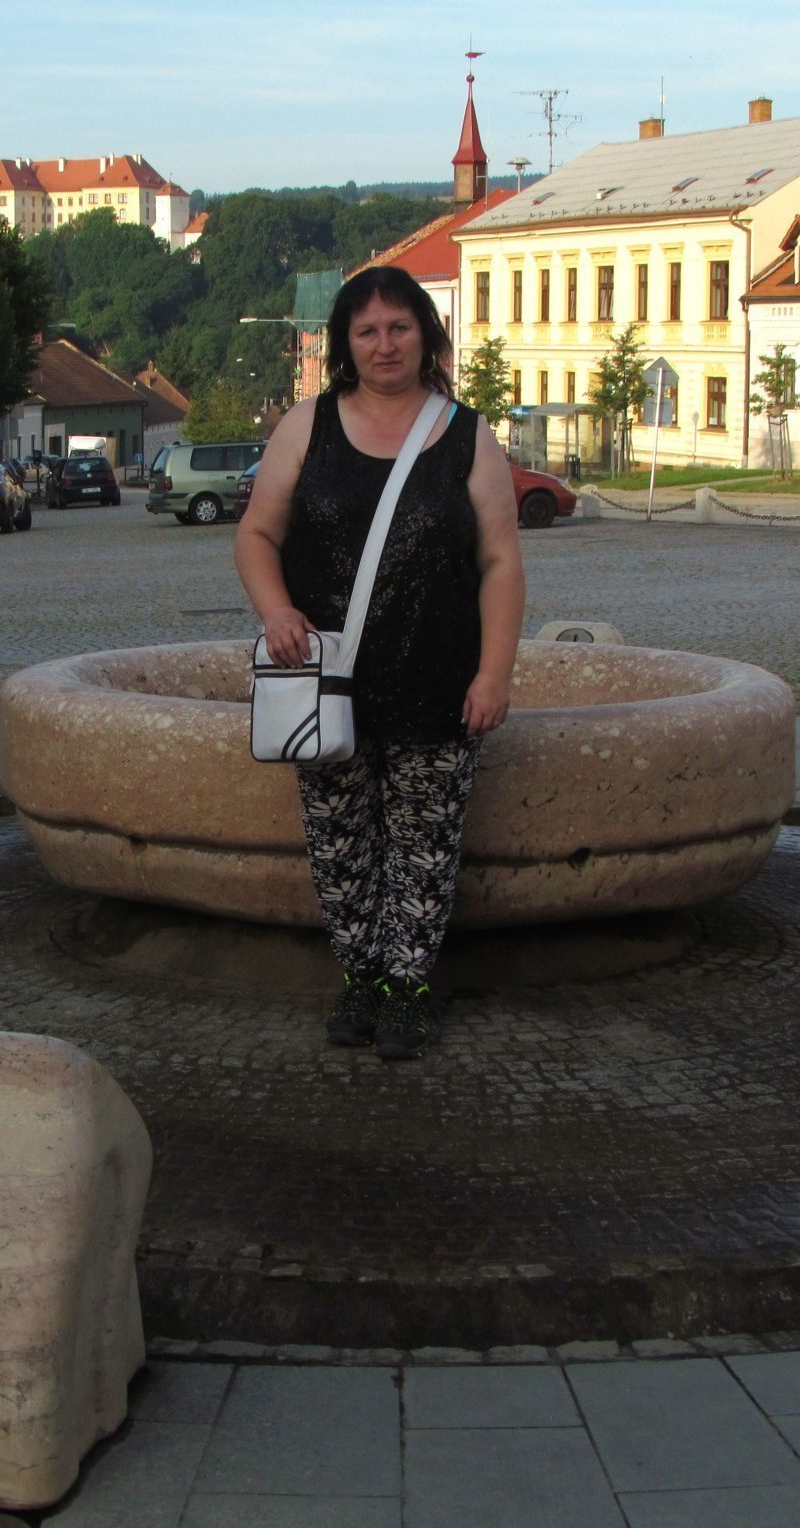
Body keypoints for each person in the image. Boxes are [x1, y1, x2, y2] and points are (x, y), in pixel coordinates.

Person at [234, 265, 525, 1059]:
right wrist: (277, 610)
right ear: (344, 345)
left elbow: (500, 561)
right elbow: (256, 534)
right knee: (338, 845)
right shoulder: (307, 426)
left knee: (423, 848)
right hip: (327, 683)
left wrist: (492, 673)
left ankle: (407, 989)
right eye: (366, 331)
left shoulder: (466, 435)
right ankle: (360, 977)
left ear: (425, 335)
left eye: (399, 327)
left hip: (437, 677)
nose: (384, 344)